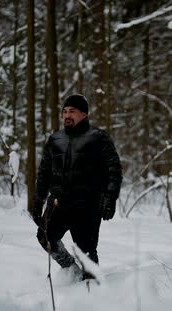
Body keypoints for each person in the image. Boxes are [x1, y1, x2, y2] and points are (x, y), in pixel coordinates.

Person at [30, 94, 122, 280]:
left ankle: (91, 286)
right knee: (45, 237)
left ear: (84, 114)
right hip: (58, 203)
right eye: (64, 112)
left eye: (72, 111)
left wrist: (110, 198)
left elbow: (114, 170)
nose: (67, 115)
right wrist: (38, 200)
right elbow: (44, 173)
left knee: (86, 252)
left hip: (87, 206)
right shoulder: (55, 139)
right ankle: (71, 268)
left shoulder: (98, 138)